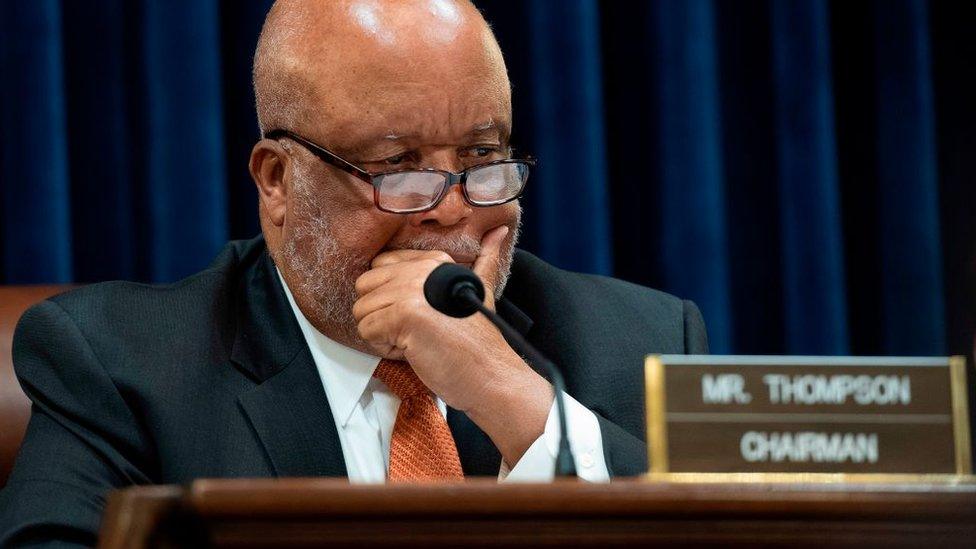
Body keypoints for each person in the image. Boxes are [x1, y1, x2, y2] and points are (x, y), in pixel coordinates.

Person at [0, 0, 707, 545]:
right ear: (277, 181)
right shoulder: (121, 368)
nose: (453, 210)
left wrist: (515, 401)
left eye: (482, 157)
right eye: (398, 167)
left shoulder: (637, 343)